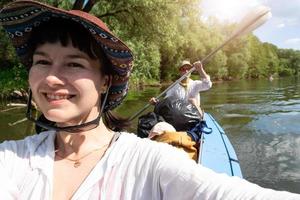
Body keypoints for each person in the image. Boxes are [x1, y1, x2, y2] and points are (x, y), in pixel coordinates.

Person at [0, 1, 300, 199]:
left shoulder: (152, 161)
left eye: (74, 63)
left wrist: (199, 72)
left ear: (105, 82)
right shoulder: (10, 160)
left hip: (192, 117)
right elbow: (167, 101)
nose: (51, 78)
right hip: (173, 110)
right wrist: (158, 98)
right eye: (42, 62)